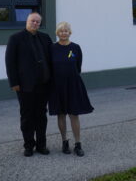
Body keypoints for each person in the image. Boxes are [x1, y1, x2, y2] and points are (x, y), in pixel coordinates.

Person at [5, 12, 53, 157]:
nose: (35, 23)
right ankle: (28, 146)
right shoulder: (15, 38)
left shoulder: (45, 38)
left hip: (43, 84)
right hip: (24, 86)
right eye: (33, 21)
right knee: (27, 116)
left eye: (38, 22)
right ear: (27, 21)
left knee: (41, 115)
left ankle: (41, 145)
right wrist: (14, 82)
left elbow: (51, 59)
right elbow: (10, 62)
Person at [49, 21, 94, 157]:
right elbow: (50, 67)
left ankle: (78, 144)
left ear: (70, 32)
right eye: (61, 31)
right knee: (61, 114)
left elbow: (78, 66)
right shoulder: (52, 48)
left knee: (74, 114)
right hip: (57, 85)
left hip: (73, 84)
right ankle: (64, 142)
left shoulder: (75, 47)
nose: (64, 33)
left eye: (66, 31)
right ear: (57, 33)